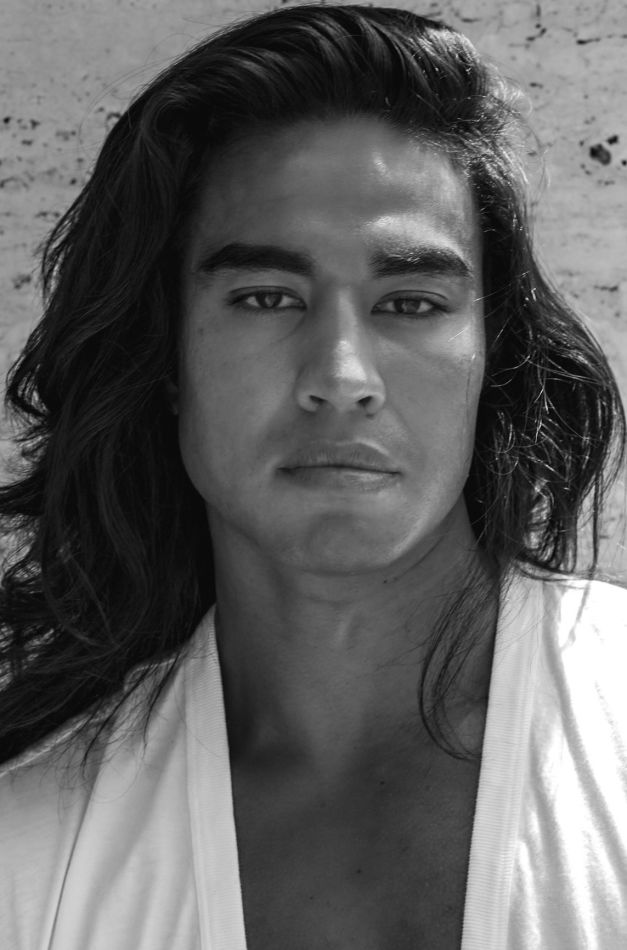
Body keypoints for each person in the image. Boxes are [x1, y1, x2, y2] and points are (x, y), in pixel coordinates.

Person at [0, 3, 626, 948]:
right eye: (266, 297)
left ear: (490, 353)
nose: (340, 374)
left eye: (409, 302)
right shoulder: (33, 852)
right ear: (164, 355)